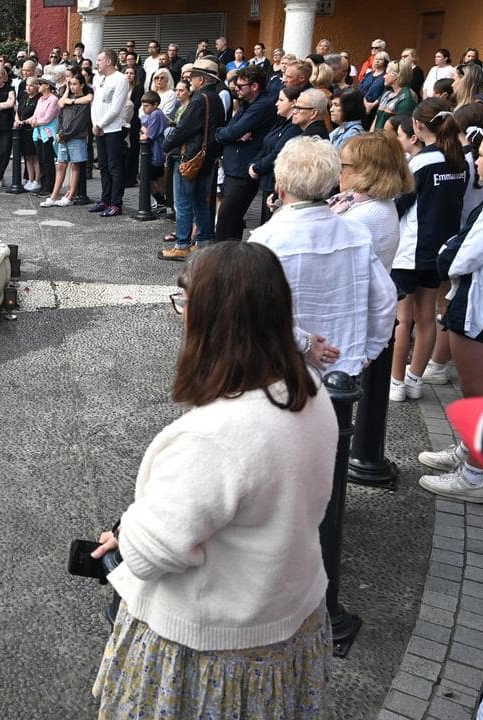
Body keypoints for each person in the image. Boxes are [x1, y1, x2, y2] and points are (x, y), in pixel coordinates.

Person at [89, 241, 334, 718]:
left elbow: (150, 552)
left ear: (212, 318)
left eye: (186, 302)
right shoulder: (309, 386)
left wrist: (127, 533)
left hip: (214, 646)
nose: (181, 314)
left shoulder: (215, 435)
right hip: (288, 613)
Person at [417, 128, 483, 501]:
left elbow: (467, 254)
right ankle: (471, 450)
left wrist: (444, 259)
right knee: (477, 384)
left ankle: (475, 473)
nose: (476, 160)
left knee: (478, 390)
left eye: (482, 155)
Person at [250, 136, 397, 377]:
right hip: (342, 361)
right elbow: (385, 298)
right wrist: (367, 351)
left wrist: (304, 343)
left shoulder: (267, 238)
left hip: (281, 363)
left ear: (280, 183)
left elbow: (256, 309)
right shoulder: (355, 233)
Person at [390, 99, 467, 403]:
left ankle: (395, 381)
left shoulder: (421, 162)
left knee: (402, 318)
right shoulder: (459, 160)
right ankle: (415, 379)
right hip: (440, 250)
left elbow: (400, 202)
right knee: (426, 316)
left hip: (411, 249)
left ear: (418, 127)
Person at [159, 58, 225, 260]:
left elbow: (183, 129)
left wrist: (166, 145)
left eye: (193, 76)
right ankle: (203, 242)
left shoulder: (199, 99)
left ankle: (182, 244)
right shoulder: (216, 99)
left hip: (191, 157)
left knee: (184, 202)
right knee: (199, 202)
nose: (190, 79)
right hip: (207, 157)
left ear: (202, 79)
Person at [330, 132, 414, 270]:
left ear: (367, 170)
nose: (339, 171)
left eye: (343, 165)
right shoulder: (373, 202)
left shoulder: (363, 215)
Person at [214, 65, 277, 242]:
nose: (236, 90)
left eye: (240, 86)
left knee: (226, 220)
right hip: (235, 168)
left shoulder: (262, 105)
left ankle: (219, 260)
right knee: (231, 221)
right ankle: (230, 260)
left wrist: (230, 134)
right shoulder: (247, 104)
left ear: (254, 86)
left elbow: (232, 132)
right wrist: (228, 134)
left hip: (243, 170)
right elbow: (227, 131)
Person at [41, 74, 91, 208]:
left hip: (76, 138)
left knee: (75, 165)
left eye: (75, 84)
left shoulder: (84, 102)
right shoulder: (66, 99)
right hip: (63, 137)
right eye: (71, 84)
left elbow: (79, 122)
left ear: (82, 85)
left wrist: (64, 134)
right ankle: (54, 195)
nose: (73, 87)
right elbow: (60, 115)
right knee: (61, 164)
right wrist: (59, 132)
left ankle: (71, 195)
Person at [90, 49, 129, 217]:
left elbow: (116, 108)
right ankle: (105, 200)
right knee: (103, 166)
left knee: (114, 167)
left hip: (113, 129)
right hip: (99, 128)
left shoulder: (121, 79)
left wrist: (100, 124)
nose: (96, 63)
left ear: (109, 61)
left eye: (99, 60)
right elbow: (95, 103)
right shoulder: (98, 78)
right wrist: (95, 124)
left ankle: (116, 203)